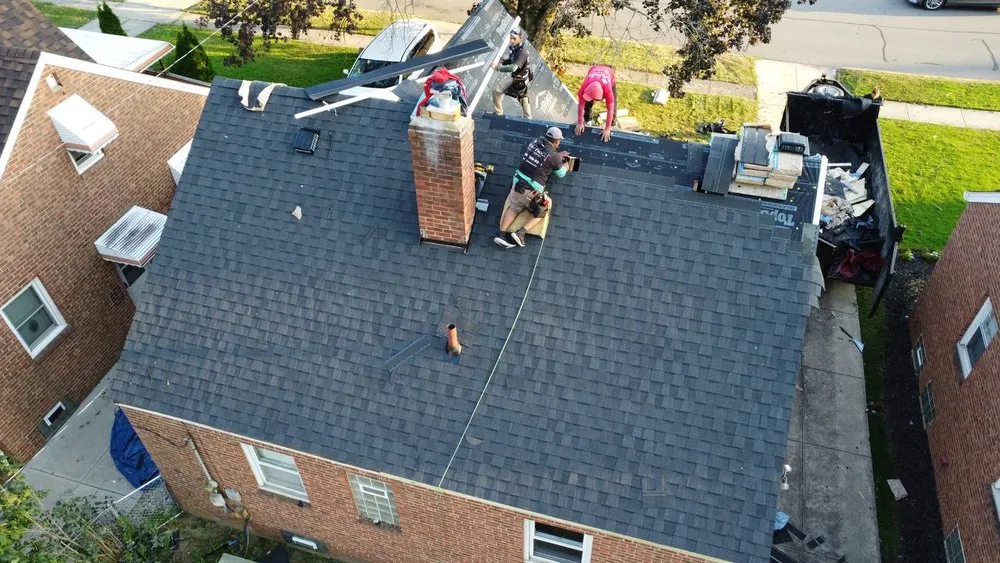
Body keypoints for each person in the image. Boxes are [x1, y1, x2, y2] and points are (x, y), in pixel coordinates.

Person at [493, 127, 570, 249]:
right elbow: (560, 173)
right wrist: (565, 165)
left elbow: (545, 154)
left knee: (513, 208)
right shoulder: (554, 157)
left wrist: (557, 155)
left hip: (517, 185)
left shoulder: (534, 143)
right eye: (559, 141)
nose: (559, 143)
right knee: (544, 208)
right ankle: (520, 233)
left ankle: (501, 234)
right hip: (532, 191)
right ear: (555, 142)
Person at [491, 29, 532, 118]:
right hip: (517, 77)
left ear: (520, 38)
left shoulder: (522, 52)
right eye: (511, 38)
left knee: (522, 97)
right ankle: (499, 113)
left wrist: (498, 67)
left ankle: (528, 118)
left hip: (520, 79)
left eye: (514, 38)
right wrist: (503, 61)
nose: (512, 40)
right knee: (522, 97)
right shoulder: (516, 48)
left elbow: (513, 67)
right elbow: (512, 60)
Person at [574, 64, 617, 142]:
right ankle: (587, 119)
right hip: (593, 70)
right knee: (587, 103)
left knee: (613, 104)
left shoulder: (608, 90)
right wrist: (580, 122)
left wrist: (607, 129)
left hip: (609, 74)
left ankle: (612, 124)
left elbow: (610, 109)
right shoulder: (584, 87)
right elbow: (581, 104)